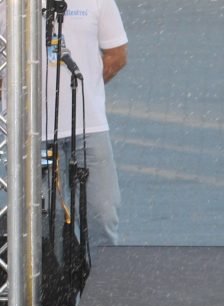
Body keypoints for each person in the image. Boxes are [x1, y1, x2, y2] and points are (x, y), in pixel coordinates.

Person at [43, 0, 128, 256]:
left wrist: (86, 90)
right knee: (46, 220)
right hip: (35, 134)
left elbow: (117, 55)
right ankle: (53, 279)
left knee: (102, 214)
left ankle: (103, 278)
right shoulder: (11, 5)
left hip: (89, 127)